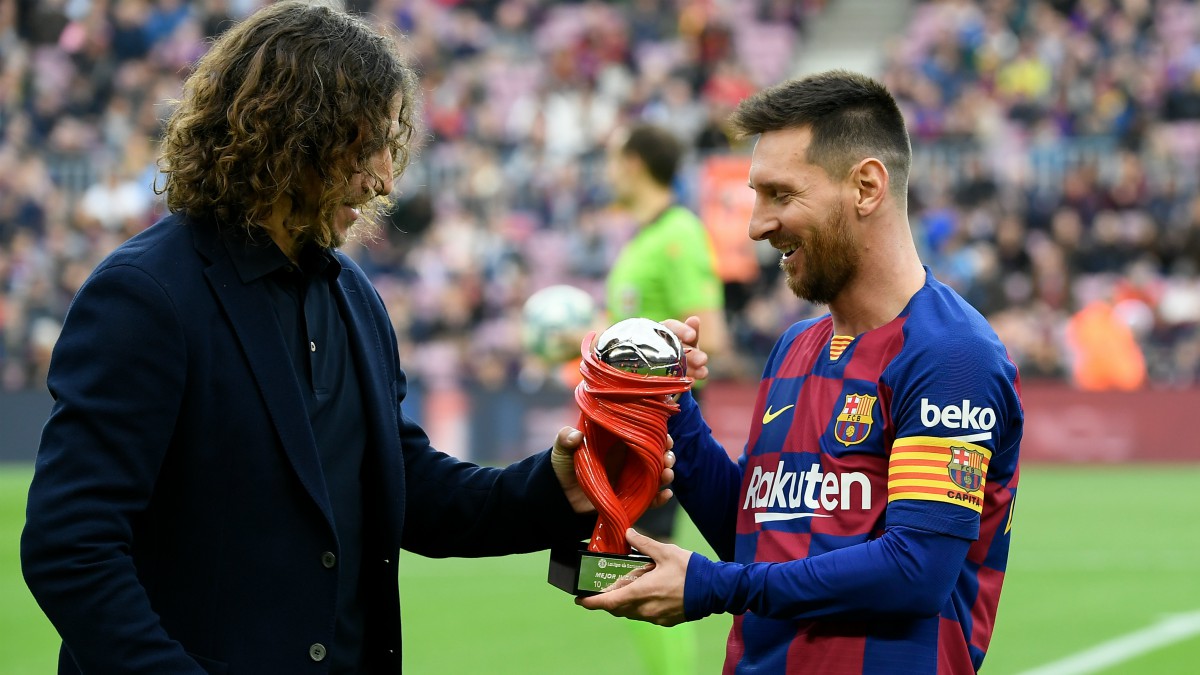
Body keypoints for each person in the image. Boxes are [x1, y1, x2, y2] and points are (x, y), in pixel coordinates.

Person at [19, 3, 672, 673]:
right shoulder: (144, 296)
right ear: (292, 133)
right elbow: (70, 544)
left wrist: (553, 487)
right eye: (368, 146)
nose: (387, 178)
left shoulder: (353, 295)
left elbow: (406, 487)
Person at [578, 70, 1023, 674]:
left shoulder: (950, 354)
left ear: (866, 187)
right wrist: (669, 404)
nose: (756, 225)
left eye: (781, 195)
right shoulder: (795, 347)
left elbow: (915, 571)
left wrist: (714, 586)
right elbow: (758, 537)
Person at [601, 122, 731, 675]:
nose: (607, 169)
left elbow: (712, 334)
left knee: (638, 573)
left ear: (633, 162)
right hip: (623, 424)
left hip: (656, 430)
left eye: (612, 157)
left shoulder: (679, 233)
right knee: (621, 574)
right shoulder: (642, 237)